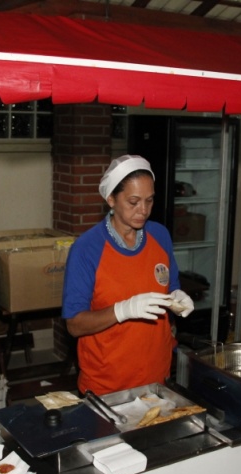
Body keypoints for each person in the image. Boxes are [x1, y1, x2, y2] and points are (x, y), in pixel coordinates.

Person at [62, 155, 195, 395]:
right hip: (108, 385)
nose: (143, 210)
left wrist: (176, 297)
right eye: (133, 201)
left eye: (149, 200)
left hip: (156, 378)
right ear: (111, 199)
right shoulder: (87, 249)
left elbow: (170, 286)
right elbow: (74, 324)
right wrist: (122, 310)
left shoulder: (160, 236)